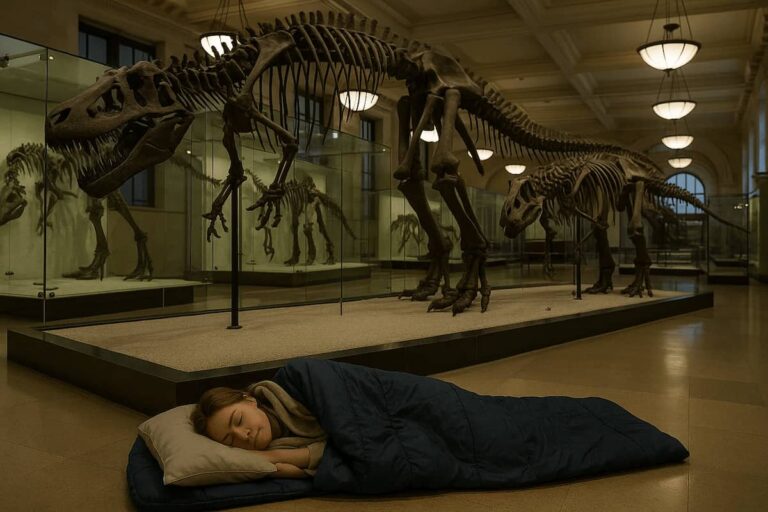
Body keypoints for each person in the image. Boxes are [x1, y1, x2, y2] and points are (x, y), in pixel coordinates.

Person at [191, 386, 325, 479]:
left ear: (249, 400)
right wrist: (303, 475)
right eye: (230, 440)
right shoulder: (276, 461)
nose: (243, 435)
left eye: (239, 420)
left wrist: (276, 456)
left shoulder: (298, 383)